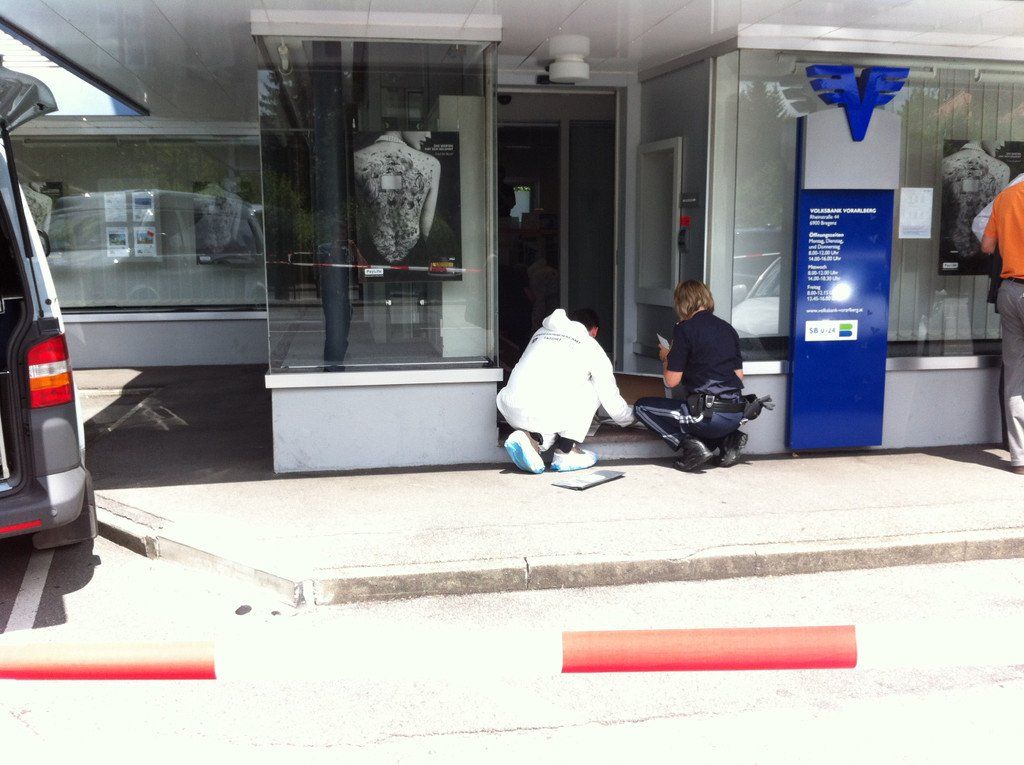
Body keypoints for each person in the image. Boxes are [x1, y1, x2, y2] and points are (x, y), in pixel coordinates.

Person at [497, 308, 634, 473]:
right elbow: (610, 399)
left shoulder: (540, 333)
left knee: (550, 405)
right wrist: (633, 418)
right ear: (594, 331)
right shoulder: (591, 345)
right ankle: (566, 450)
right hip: (545, 412)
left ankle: (531, 441)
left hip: (511, 407)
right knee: (595, 386)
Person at [634, 280, 746, 472]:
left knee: (641, 407)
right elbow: (739, 375)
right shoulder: (728, 329)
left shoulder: (685, 329)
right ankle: (729, 439)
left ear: (682, 303)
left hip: (708, 415)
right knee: (695, 412)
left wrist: (666, 358)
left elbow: (671, 381)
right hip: (736, 413)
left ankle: (693, 448)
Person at [980, 182, 1024, 475]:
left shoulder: (1006, 197)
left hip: (1009, 290)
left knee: (1015, 373)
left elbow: (987, 245)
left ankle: (1019, 458)